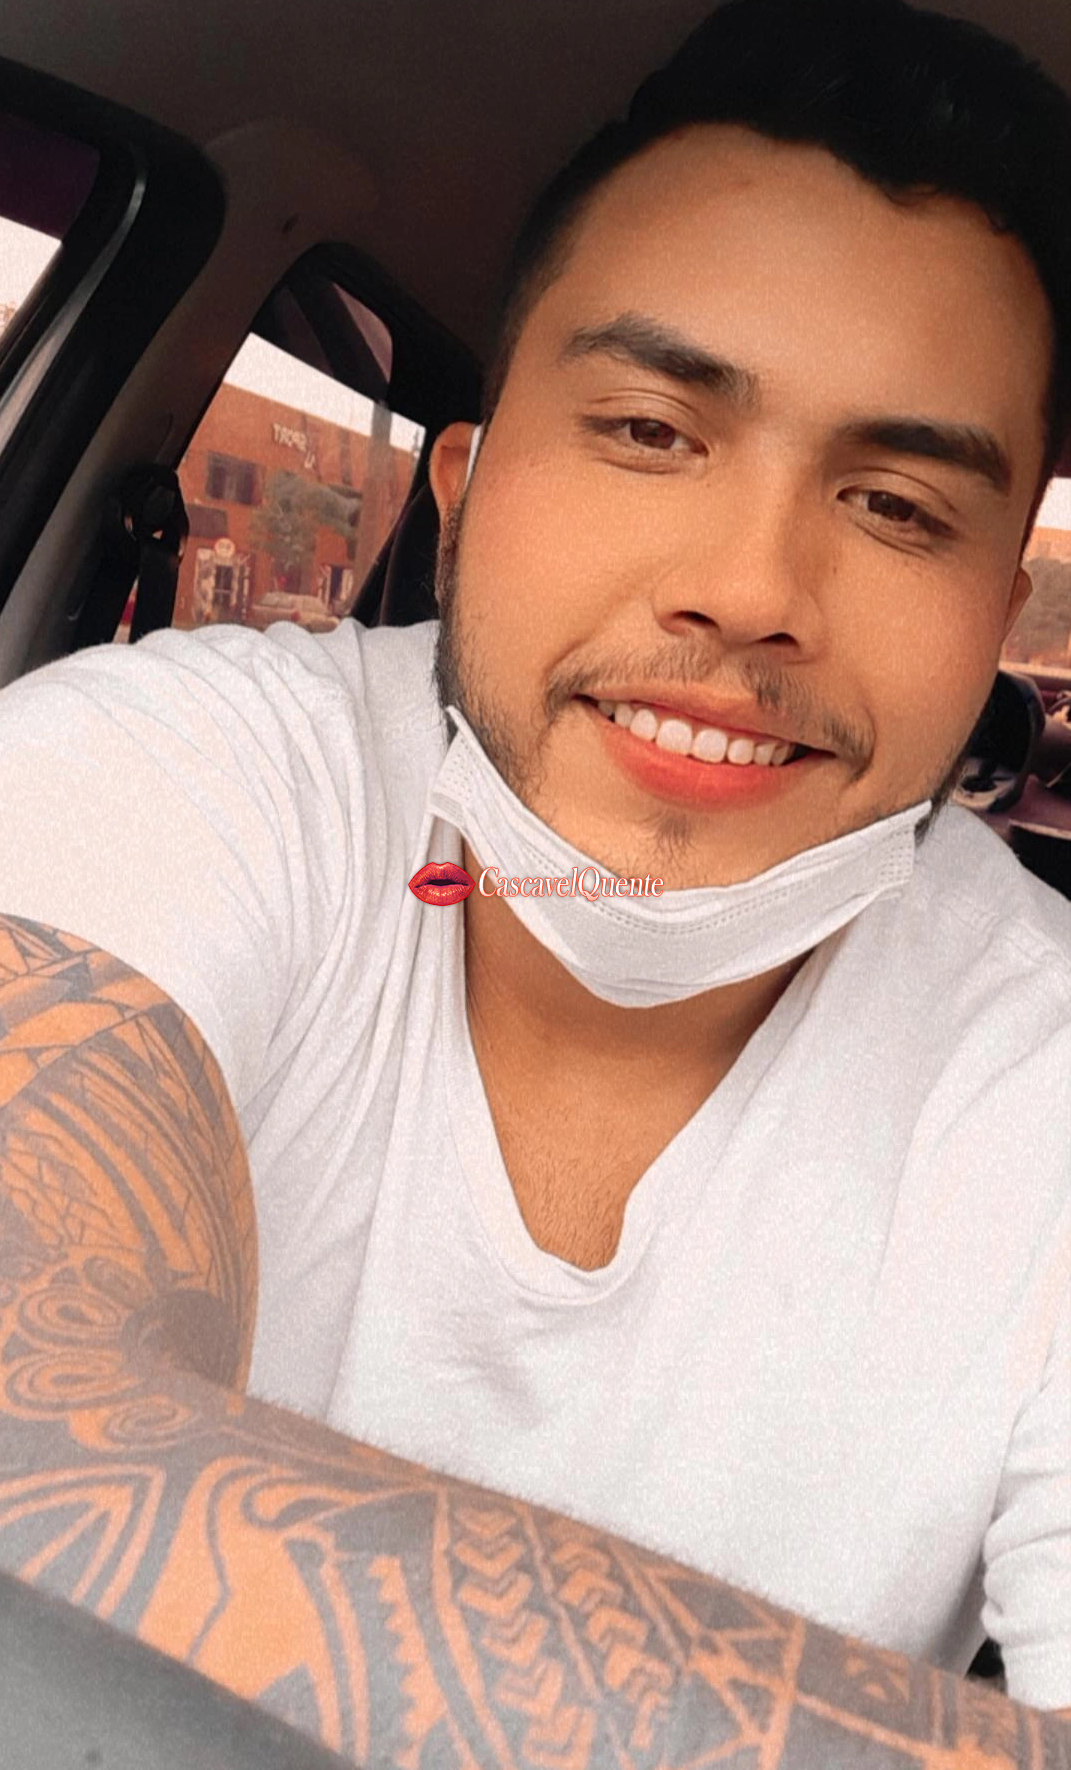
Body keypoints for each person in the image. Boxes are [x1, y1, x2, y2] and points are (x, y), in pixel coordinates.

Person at [0, 0, 1068, 1761]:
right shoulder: (185, 772)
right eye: (649, 429)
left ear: (998, 611)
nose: (750, 590)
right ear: (468, 486)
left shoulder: (1035, 1077)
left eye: (895, 505)